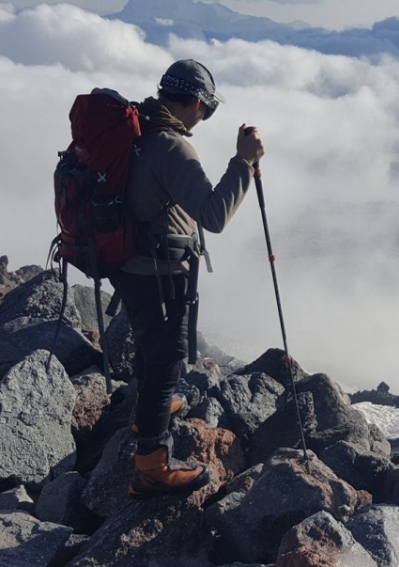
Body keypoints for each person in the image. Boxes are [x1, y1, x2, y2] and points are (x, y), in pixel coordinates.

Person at [109, 59, 264, 499]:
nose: (204, 118)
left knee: (148, 341)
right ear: (195, 103)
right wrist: (244, 163)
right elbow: (213, 215)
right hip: (158, 272)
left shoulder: (136, 130)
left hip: (127, 264)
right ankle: (151, 466)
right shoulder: (171, 147)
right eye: (207, 110)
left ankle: (147, 414)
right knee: (165, 360)